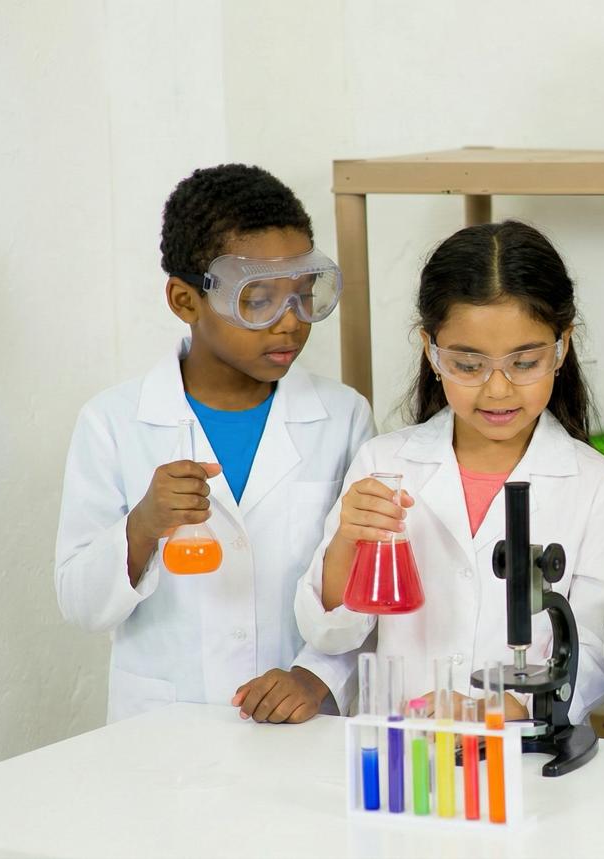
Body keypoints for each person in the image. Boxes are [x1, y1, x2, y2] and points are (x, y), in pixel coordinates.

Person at [56, 164, 373, 723]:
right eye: (259, 300)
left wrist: (316, 676)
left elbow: (364, 584)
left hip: (300, 725)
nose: (290, 323)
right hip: (163, 728)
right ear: (185, 301)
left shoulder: (344, 417)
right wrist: (142, 526)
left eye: (304, 296)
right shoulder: (112, 422)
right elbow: (80, 605)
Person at [295, 220, 604, 720]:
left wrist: (500, 710)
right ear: (431, 351)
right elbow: (331, 635)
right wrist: (348, 538)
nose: (497, 389)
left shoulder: (595, 485)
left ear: (562, 346)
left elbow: (595, 653)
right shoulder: (384, 464)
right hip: (401, 741)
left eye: (524, 363)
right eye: (469, 365)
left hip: (521, 747)